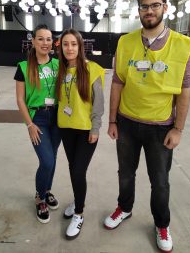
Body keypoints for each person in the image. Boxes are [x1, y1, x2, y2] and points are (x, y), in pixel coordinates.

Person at [104, 0, 190, 253]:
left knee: (160, 181)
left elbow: (185, 91)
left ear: (165, 7)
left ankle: (162, 223)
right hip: (127, 123)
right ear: (139, 10)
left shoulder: (182, 46)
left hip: (160, 127)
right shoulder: (126, 42)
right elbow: (118, 83)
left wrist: (178, 128)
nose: (150, 10)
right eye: (144, 6)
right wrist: (112, 120)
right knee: (125, 174)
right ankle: (125, 207)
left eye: (155, 5)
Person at [56, 28, 105, 239]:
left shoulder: (92, 69)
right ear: (61, 47)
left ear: (80, 46)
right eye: (66, 44)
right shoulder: (60, 70)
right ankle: (78, 198)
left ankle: (79, 213)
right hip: (66, 128)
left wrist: (95, 128)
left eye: (73, 44)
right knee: (72, 168)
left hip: (86, 130)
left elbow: (99, 103)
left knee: (78, 171)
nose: (69, 48)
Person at [14, 24, 61, 224]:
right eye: (40, 38)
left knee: (54, 157)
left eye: (48, 39)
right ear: (32, 41)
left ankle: (47, 190)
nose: (45, 43)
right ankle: (40, 197)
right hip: (38, 119)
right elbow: (20, 99)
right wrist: (29, 125)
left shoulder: (59, 64)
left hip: (58, 117)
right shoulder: (24, 67)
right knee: (47, 161)